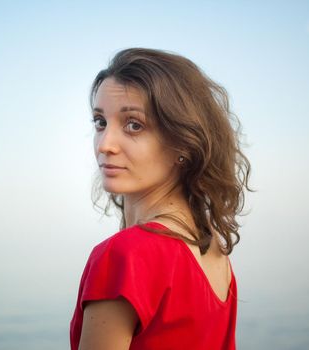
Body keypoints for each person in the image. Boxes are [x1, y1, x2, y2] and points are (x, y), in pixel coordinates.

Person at [69, 48, 253, 350]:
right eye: (100, 122)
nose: (105, 144)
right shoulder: (214, 251)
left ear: (183, 141)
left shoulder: (124, 256)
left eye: (134, 125)